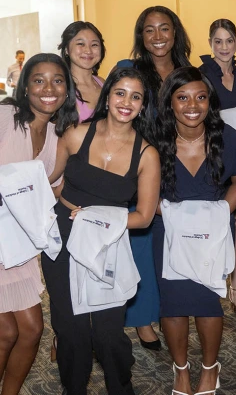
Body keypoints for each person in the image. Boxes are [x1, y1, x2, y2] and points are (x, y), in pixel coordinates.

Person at [44, 67, 160, 395]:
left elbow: (144, 216)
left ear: (142, 105)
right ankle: (74, 388)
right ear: (107, 96)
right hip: (64, 237)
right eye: (120, 93)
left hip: (108, 244)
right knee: (71, 329)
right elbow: (52, 183)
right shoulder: (76, 134)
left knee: (108, 333)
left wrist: (100, 218)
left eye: (136, 96)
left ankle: (120, 388)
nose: (127, 102)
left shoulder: (147, 154)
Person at [152, 67, 236, 395]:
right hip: (166, 234)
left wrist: (220, 211)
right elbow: (138, 189)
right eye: (182, 97)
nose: (192, 105)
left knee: (208, 302)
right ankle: (181, 369)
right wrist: (169, 212)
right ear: (170, 103)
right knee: (174, 303)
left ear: (210, 101)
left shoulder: (227, 136)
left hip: (210, 235)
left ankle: (210, 367)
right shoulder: (154, 138)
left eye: (200, 97)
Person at [0, 53, 77, 395]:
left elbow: (53, 187)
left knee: (30, 331)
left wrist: (89, 209)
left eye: (57, 80)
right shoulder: (4, 117)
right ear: (24, 86)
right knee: (6, 332)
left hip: (18, 245)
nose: (49, 88)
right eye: (39, 80)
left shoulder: (58, 137)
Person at [119, 5, 191, 350]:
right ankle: (142, 319)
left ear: (175, 33)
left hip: (180, 168)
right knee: (142, 247)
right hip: (139, 166)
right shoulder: (129, 70)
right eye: (149, 30)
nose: (158, 37)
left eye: (164, 28)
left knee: (174, 245)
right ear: (140, 36)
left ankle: (171, 311)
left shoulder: (189, 71)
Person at [199, 19, 236, 323]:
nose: (224, 47)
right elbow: (198, 113)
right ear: (210, 43)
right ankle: (209, 284)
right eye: (218, 41)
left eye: (229, 41)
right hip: (212, 156)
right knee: (215, 224)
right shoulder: (202, 74)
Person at [59, 21, 106, 122]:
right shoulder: (61, 87)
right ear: (66, 49)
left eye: (94, 45)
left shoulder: (102, 83)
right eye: (80, 44)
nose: (88, 50)